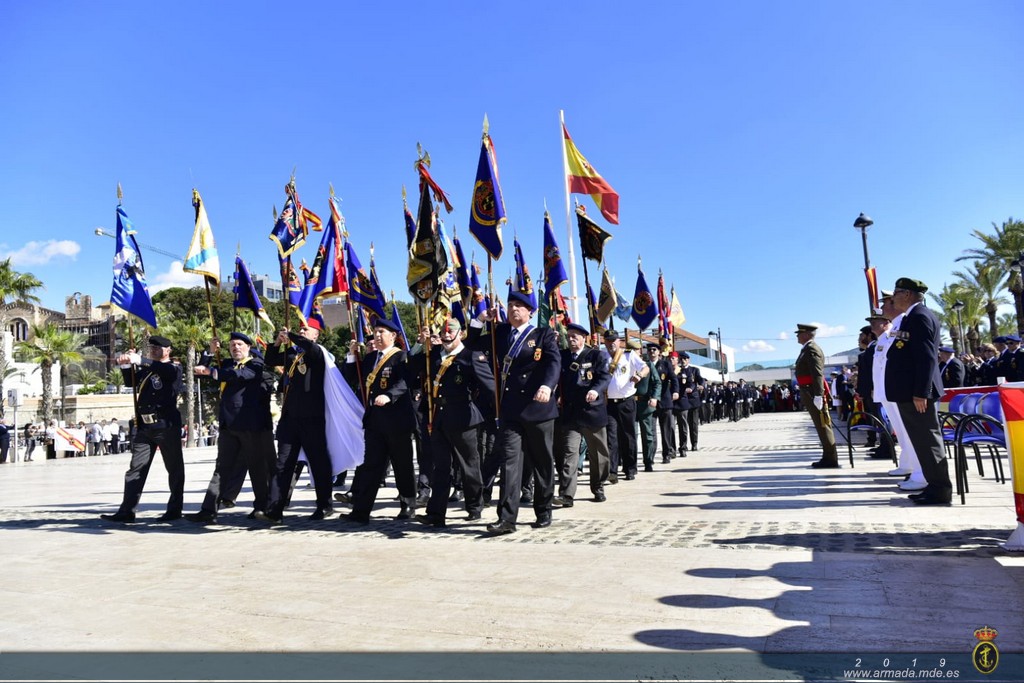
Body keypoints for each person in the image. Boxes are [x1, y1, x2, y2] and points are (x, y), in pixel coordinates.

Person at [469, 291, 560, 535]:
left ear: (530, 312)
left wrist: (547, 386)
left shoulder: (543, 334)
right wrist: (479, 321)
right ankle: (507, 518)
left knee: (542, 462)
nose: (514, 310)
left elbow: (553, 362)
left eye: (519, 306)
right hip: (510, 410)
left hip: (538, 407)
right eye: (510, 306)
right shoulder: (500, 333)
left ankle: (543, 509)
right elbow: (471, 344)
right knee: (510, 463)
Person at [185, 333, 276, 524]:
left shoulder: (255, 364)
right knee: (222, 468)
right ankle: (208, 510)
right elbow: (201, 372)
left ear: (249, 347)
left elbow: (239, 375)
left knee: (256, 468)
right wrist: (210, 353)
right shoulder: (226, 364)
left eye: (240, 344)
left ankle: (262, 506)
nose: (236, 348)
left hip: (249, 425)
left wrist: (214, 373)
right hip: (228, 426)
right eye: (232, 345)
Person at [258, 323, 343, 523]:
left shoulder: (317, 353)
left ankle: (324, 505)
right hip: (290, 417)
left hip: (312, 417)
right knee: (283, 464)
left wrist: (293, 335)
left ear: (316, 335)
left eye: (306, 330)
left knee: (318, 462)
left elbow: (309, 347)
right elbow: (270, 360)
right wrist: (278, 342)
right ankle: (275, 510)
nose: (302, 332)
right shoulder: (292, 355)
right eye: (300, 329)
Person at [412, 318, 491, 527]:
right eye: (444, 332)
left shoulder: (471, 356)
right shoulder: (434, 357)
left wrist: (493, 413)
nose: (446, 335)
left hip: (464, 417)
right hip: (439, 417)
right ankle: (436, 513)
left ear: (461, 334)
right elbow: (410, 367)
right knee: (441, 467)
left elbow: (489, 386)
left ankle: (474, 505)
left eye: (451, 332)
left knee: (469, 466)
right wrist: (421, 343)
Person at [341, 318, 418, 524]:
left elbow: (405, 382)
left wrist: (389, 395)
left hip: (397, 420)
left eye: (381, 331)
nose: (376, 335)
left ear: (393, 335)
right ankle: (361, 511)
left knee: (402, 465)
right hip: (375, 421)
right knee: (371, 466)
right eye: (375, 331)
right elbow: (354, 377)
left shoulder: (402, 356)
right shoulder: (371, 358)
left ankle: (408, 505)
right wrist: (351, 355)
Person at [100, 335, 185, 523]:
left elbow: (167, 373)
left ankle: (175, 509)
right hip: (144, 427)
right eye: (151, 348)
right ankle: (127, 510)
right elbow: (132, 382)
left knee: (174, 468)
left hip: (165, 426)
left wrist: (140, 360)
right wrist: (125, 365)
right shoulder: (148, 369)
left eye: (158, 348)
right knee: (136, 469)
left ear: (168, 350)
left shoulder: (174, 367)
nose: (154, 351)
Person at [886, 278, 952, 505]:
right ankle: (933, 486)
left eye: (896, 292)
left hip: (917, 394)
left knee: (927, 440)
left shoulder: (920, 317)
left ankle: (940, 489)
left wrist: (921, 392)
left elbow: (925, 358)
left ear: (908, 294)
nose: (893, 297)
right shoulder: (913, 317)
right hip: (911, 392)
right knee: (922, 441)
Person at [554, 323, 612, 506]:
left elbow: (605, 377)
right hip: (571, 413)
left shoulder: (596, 355)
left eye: (575, 337)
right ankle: (566, 494)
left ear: (584, 338)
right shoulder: (562, 356)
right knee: (569, 454)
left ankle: (598, 485)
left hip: (592, 411)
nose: (571, 340)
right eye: (569, 336)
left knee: (598, 454)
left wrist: (596, 390)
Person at [603, 330, 649, 481]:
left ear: (619, 341)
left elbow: (645, 368)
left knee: (628, 436)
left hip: (626, 401)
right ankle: (613, 471)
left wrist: (639, 375)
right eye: (608, 340)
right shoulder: (602, 356)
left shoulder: (629, 355)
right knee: (611, 437)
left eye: (614, 340)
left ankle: (630, 468)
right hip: (609, 403)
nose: (611, 343)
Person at [793, 324, 840, 469]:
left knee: (823, 424)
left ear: (806, 334)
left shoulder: (811, 348)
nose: (797, 336)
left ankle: (831, 458)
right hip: (809, 390)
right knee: (820, 425)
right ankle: (827, 456)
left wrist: (819, 395)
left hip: (812, 391)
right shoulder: (806, 349)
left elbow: (817, 373)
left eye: (799, 333)